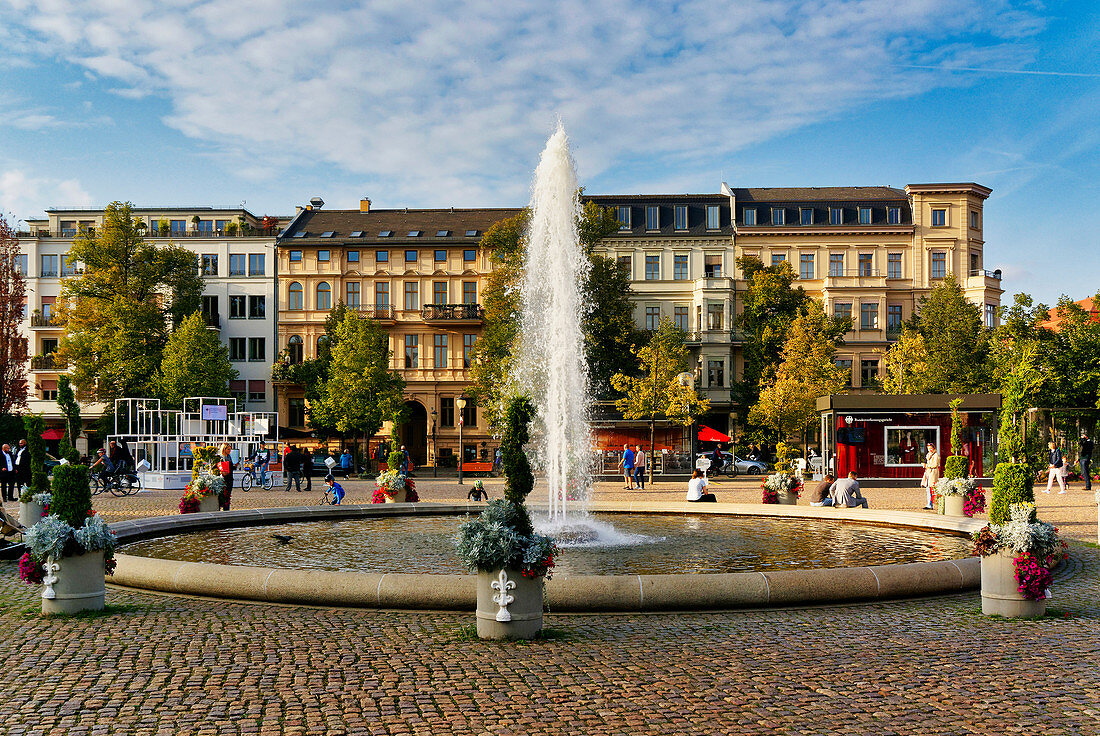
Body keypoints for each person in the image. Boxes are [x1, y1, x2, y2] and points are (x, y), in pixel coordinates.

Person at [920, 442, 940, 510]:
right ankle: (929, 504)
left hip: (933, 473)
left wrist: (927, 466)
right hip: (928, 473)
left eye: (931, 448)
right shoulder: (928, 455)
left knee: (933, 488)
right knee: (928, 488)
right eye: (928, 448)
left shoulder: (936, 455)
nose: (930, 450)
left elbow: (935, 464)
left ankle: (936, 503)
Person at [217, 443, 235, 510]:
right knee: (222, 494)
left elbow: (230, 467)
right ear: (224, 449)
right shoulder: (220, 457)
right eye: (228, 449)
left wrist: (234, 466)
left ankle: (226, 508)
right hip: (223, 478)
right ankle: (221, 507)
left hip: (230, 477)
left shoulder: (229, 457)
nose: (229, 451)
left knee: (228, 494)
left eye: (230, 449)